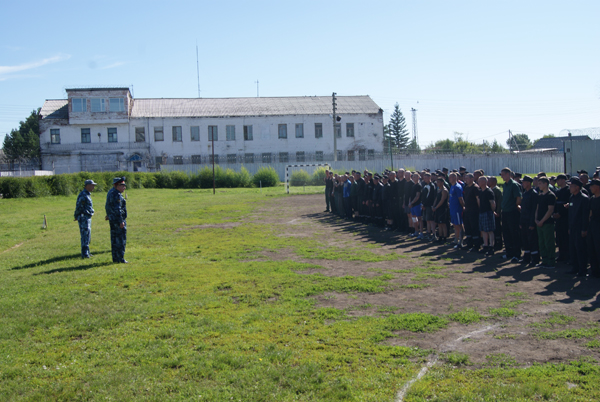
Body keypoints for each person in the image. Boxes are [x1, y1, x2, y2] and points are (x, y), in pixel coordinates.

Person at [566, 177, 590, 277]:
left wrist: (584, 229)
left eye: (571, 186)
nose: (570, 188)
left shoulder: (584, 199)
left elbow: (585, 216)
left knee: (580, 249)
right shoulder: (572, 197)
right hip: (572, 227)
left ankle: (582, 269)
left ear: (577, 187)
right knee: (573, 248)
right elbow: (570, 214)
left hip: (580, 228)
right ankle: (575, 267)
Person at [500, 168, 522, 263]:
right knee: (506, 233)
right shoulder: (505, 185)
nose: (502, 176)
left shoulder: (514, 185)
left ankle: (516, 254)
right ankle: (509, 252)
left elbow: (518, 198)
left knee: (514, 233)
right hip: (505, 212)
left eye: (503, 174)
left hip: (512, 212)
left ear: (508, 174)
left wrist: (515, 206)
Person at [535, 177, 556, 269]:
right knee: (541, 242)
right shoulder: (540, 195)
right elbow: (537, 208)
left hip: (547, 223)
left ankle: (551, 261)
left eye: (540, 183)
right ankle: (544, 260)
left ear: (545, 184)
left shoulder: (551, 195)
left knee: (549, 242)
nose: (538, 185)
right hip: (539, 222)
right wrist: (536, 219)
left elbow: (550, 210)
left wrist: (542, 221)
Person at [105, 177, 128, 263]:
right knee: (121, 240)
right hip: (118, 221)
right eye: (122, 185)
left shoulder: (110, 192)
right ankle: (120, 258)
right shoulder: (117, 195)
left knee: (114, 240)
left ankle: (115, 258)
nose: (124, 187)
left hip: (112, 219)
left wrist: (108, 215)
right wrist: (121, 221)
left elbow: (107, 206)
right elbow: (118, 209)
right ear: (117, 185)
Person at [519, 176, 539, 266]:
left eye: (524, 182)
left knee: (532, 240)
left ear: (528, 183)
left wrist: (532, 223)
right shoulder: (525, 193)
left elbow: (534, 210)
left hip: (530, 220)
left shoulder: (533, 194)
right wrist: (521, 222)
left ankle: (535, 259)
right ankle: (526, 257)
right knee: (525, 239)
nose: (522, 184)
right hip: (524, 220)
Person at [74, 179, 97, 258]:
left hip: (87, 217)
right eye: (92, 185)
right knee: (85, 235)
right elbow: (79, 206)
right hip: (84, 217)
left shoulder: (87, 194)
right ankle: (84, 253)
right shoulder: (83, 195)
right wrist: (76, 215)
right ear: (87, 186)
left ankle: (87, 251)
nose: (93, 187)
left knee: (88, 235)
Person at [476, 176, 496, 256]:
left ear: (484, 182)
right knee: (483, 230)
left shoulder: (489, 191)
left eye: (480, 181)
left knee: (490, 230)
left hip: (488, 212)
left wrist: (492, 211)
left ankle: (491, 246)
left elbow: (492, 203)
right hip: (481, 212)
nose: (478, 183)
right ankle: (485, 245)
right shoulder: (480, 192)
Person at [553, 174, 570, 262]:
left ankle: (567, 256)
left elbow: (569, 205)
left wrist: (561, 214)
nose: (557, 182)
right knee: (559, 238)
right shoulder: (558, 191)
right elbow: (556, 204)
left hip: (565, 218)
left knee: (565, 238)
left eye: (558, 180)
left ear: (563, 180)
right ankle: (561, 255)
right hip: (558, 218)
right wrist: (555, 213)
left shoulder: (568, 191)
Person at [463, 173, 481, 251]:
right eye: (465, 178)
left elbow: (478, 199)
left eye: (467, 178)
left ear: (471, 179)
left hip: (474, 211)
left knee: (474, 228)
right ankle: (469, 244)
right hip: (467, 210)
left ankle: (476, 245)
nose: (465, 180)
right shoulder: (466, 187)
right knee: (468, 228)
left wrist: (479, 209)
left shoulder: (475, 188)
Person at [587, 179, 600, 278]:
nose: (590, 188)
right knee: (592, 249)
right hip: (593, 226)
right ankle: (594, 271)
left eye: (592, 186)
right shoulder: (592, 199)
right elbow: (590, 213)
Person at [448, 172, 465, 249]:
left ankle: (460, 241)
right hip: (452, 209)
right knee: (455, 225)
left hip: (457, 209)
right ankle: (456, 239)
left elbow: (460, 199)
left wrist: (463, 207)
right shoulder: (452, 186)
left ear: (454, 178)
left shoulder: (458, 187)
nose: (449, 179)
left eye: (450, 177)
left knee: (459, 225)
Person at [432, 176, 449, 243]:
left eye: (438, 182)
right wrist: (433, 206)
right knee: (439, 224)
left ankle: (444, 237)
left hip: (442, 209)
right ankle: (440, 237)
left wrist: (436, 207)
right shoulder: (439, 189)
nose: (437, 183)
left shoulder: (444, 190)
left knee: (443, 224)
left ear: (442, 182)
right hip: (437, 209)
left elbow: (442, 200)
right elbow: (436, 199)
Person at [489, 177, 503, 251]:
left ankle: (499, 244)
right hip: (492, 213)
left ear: (494, 182)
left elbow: (499, 202)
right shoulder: (490, 189)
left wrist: (498, 211)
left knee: (497, 229)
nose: (488, 182)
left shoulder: (497, 190)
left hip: (496, 213)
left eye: (490, 181)